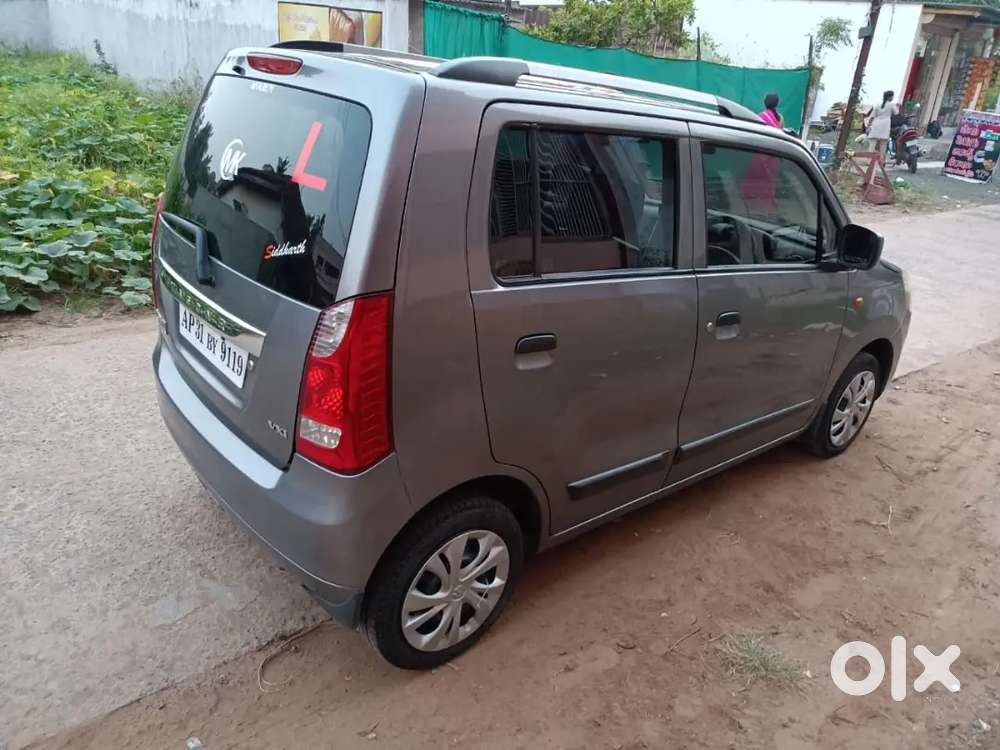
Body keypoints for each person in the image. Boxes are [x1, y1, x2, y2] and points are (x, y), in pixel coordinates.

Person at [866, 91, 899, 163]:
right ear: (889, 97)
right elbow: (896, 113)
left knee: (872, 145)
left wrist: (868, 126)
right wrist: (898, 106)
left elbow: (872, 117)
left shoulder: (877, 104)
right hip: (885, 126)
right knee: (883, 145)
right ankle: (881, 161)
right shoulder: (891, 105)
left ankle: (869, 161)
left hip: (876, 125)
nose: (893, 98)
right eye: (892, 96)